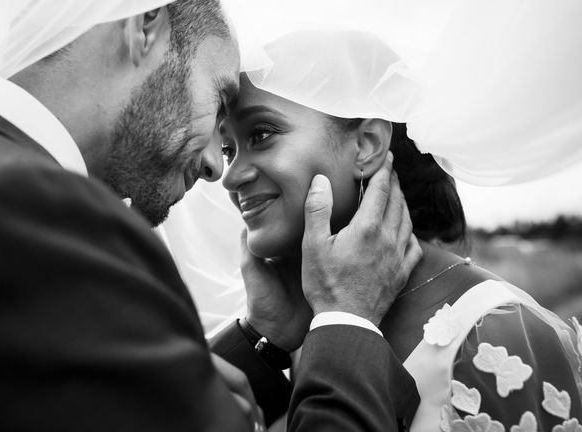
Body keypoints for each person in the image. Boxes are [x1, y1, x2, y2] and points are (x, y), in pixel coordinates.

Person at [0, 0, 421, 431]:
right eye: (218, 100)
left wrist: (261, 340)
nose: (217, 166)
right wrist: (347, 323)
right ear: (144, 24)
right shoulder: (43, 220)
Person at [216, 30, 582, 431]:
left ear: (367, 145)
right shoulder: (313, 331)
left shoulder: (498, 335)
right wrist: (262, 336)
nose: (231, 176)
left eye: (261, 134)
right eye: (228, 149)